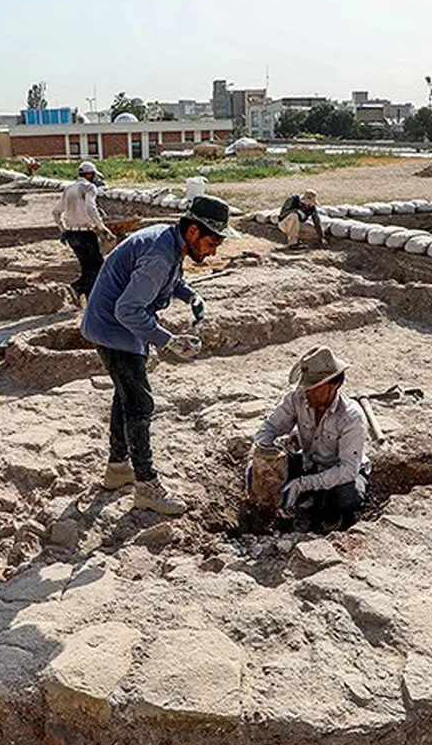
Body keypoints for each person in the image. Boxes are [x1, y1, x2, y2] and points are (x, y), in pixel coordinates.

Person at [81, 194, 231, 515]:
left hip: (117, 325)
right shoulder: (160, 255)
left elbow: (169, 281)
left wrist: (191, 295)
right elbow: (128, 309)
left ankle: (118, 467)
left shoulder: (169, 241)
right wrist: (167, 340)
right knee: (139, 403)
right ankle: (147, 486)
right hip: (115, 328)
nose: (213, 250)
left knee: (126, 396)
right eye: (212, 242)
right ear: (193, 231)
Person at [251, 346, 370, 531]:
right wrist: (262, 448)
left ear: (334, 383)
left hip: (339, 473)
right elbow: (270, 427)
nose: (307, 392)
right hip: (310, 465)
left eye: (313, 387)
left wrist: (303, 485)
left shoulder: (352, 417)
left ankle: (326, 518)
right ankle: (293, 510)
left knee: (346, 496)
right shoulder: (297, 399)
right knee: (257, 472)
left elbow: (348, 470)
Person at [53, 161, 115, 301]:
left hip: (71, 234)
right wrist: (102, 228)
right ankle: (76, 287)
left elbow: (56, 212)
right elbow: (91, 208)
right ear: (90, 174)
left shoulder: (69, 189)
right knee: (98, 268)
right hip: (85, 234)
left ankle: (89, 299)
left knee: (87, 268)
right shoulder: (89, 187)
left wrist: (63, 230)